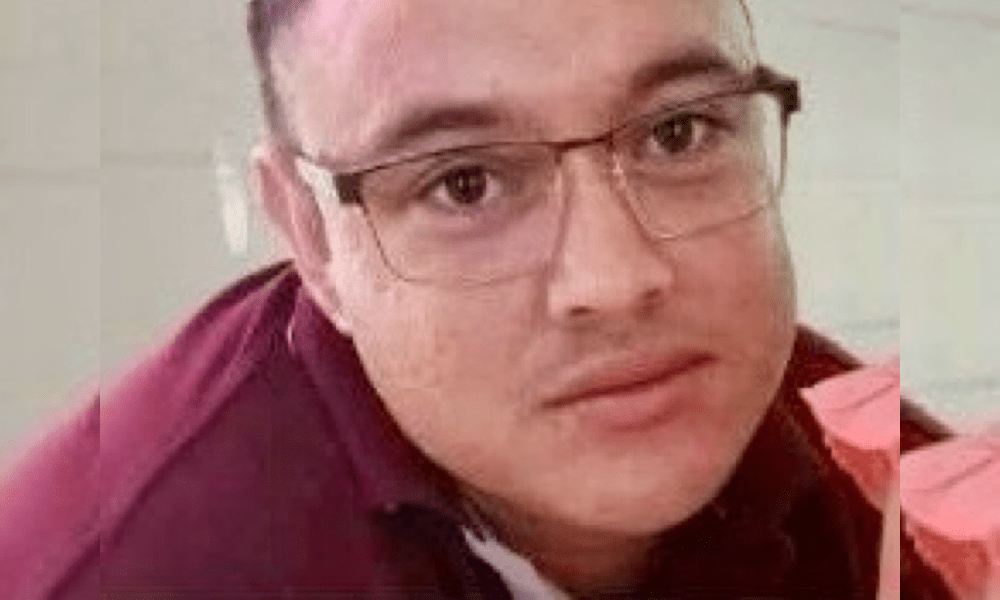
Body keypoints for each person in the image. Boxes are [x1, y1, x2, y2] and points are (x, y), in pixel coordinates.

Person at [0, 0, 954, 598]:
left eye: (679, 132)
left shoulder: (904, 508)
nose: (615, 280)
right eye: (464, 183)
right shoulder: (112, 570)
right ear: (313, 237)